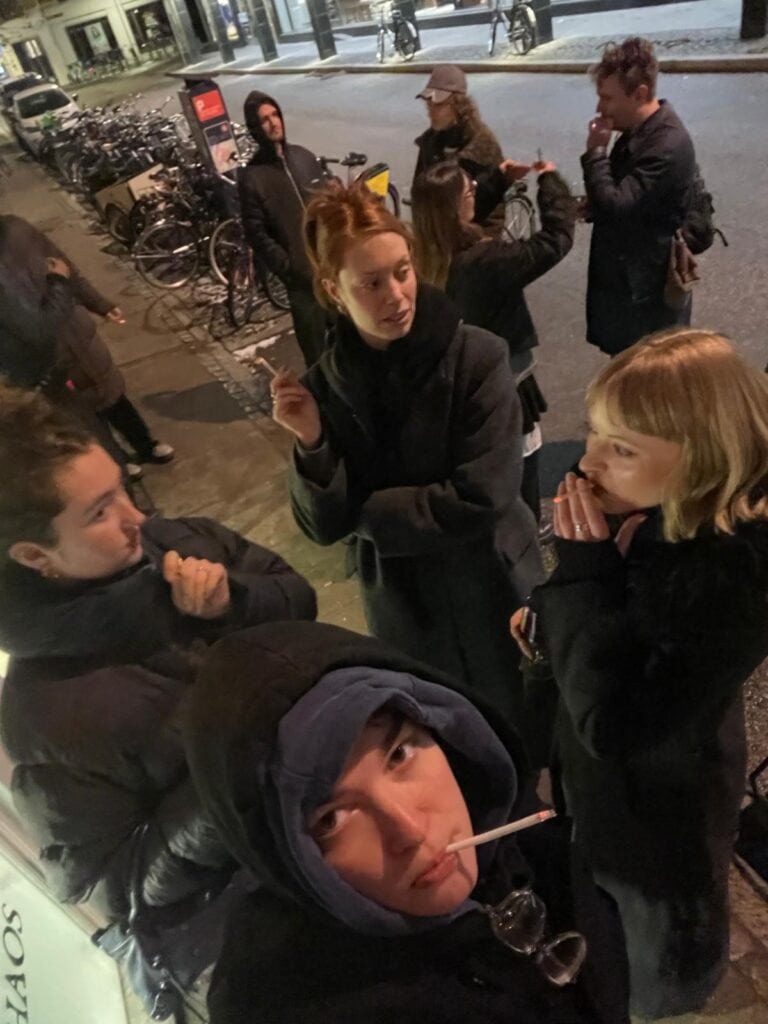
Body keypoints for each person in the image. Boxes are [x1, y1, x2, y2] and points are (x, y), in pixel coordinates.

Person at [183, 619, 630, 1024]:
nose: (411, 832)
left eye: (399, 754)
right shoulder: (299, 1004)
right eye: (332, 819)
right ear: (291, 862)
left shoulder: (526, 841)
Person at [512, 329, 768, 1017]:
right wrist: (552, 616)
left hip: (663, 836)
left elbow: (612, 722)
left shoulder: (733, 580)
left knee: (645, 978)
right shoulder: (650, 517)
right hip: (608, 810)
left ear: (703, 462)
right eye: (595, 434)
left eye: (621, 450)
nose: (589, 461)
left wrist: (579, 575)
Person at [0, 383, 317, 926]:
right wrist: (231, 778)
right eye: (100, 512)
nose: (137, 519)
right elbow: (113, 883)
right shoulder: (44, 714)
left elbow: (297, 596)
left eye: (123, 489)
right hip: (280, 889)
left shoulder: (176, 540)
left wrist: (231, 603)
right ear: (35, 555)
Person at [271, 182, 542, 726]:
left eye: (402, 271)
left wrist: (364, 514)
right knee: (445, 726)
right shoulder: (323, 387)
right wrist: (312, 441)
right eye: (371, 282)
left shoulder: (477, 358)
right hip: (405, 607)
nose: (396, 295)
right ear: (333, 289)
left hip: (494, 582)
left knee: (527, 719)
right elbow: (323, 527)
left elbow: (483, 494)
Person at [412, 159, 575, 523]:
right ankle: (526, 545)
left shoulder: (424, 255)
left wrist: (500, 178)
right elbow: (553, 242)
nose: (475, 194)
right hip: (508, 383)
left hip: (463, 391)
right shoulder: (483, 263)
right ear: (456, 206)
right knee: (521, 475)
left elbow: (459, 215)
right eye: (469, 191)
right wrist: (551, 181)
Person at [0, 213, 174, 479]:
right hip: (51, 358)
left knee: (112, 395)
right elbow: (35, 327)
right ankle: (119, 460)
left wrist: (100, 304)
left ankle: (145, 444)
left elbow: (66, 268)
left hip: (78, 334)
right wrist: (58, 282)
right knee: (86, 417)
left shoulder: (17, 228)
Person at [582, 37, 697, 355]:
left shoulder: (666, 145)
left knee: (647, 382)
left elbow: (618, 206)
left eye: (607, 98)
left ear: (641, 94)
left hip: (645, 301)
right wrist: (593, 204)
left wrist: (595, 153)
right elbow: (627, 197)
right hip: (626, 288)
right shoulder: (637, 129)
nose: (599, 108)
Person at [240, 91, 330, 367]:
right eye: (265, 120)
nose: (273, 123)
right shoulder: (253, 177)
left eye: (275, 115)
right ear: (255, 128)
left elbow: (328, 203)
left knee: (352, 343)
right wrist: (289, 268)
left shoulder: (303, 157)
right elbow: (257, 234)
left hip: (333, 270)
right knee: (317, 356)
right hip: (302, 283)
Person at [413, 66, 505, 234]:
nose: (430, 112)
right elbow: (418, 186)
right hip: (442, 227)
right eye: (428, 105)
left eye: (437, 106)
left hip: (478, 226)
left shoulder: (482, 143)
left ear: (457, 105)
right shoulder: (430, 141)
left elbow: (490, 202)